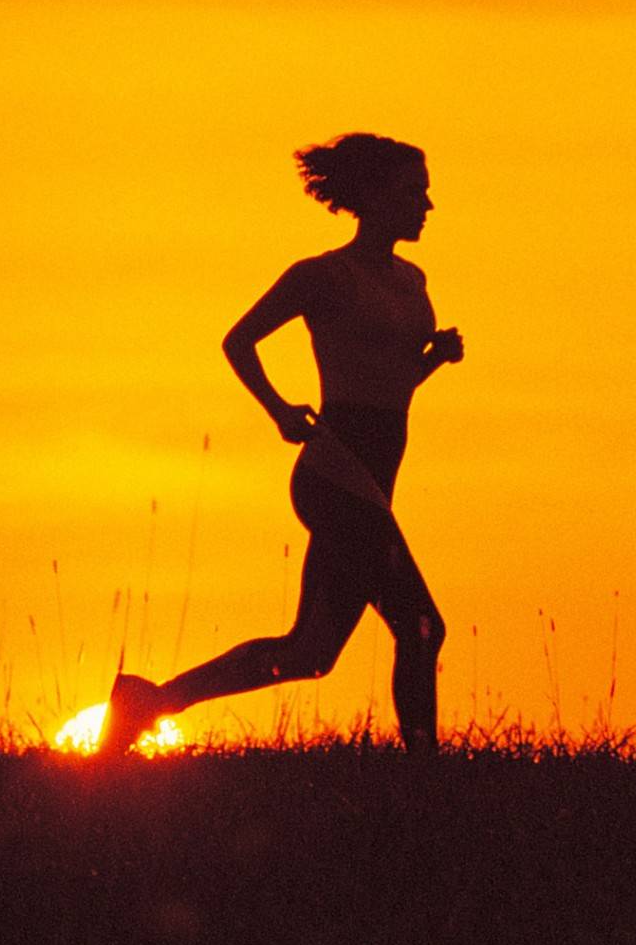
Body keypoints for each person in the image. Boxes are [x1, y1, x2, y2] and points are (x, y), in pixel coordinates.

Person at [96, 133, 464, 755]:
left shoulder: (413, 280)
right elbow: (239, 340)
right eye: (413, 192)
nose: (427, 205)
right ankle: (427, 775)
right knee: (422, 626)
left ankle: (148, 701)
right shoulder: (322, 276)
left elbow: (389, 387)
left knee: (310, 653)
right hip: (335, 471)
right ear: (372, 197)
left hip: (375, 475)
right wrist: (278, 409)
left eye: (425, 192)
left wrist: (433, 361)